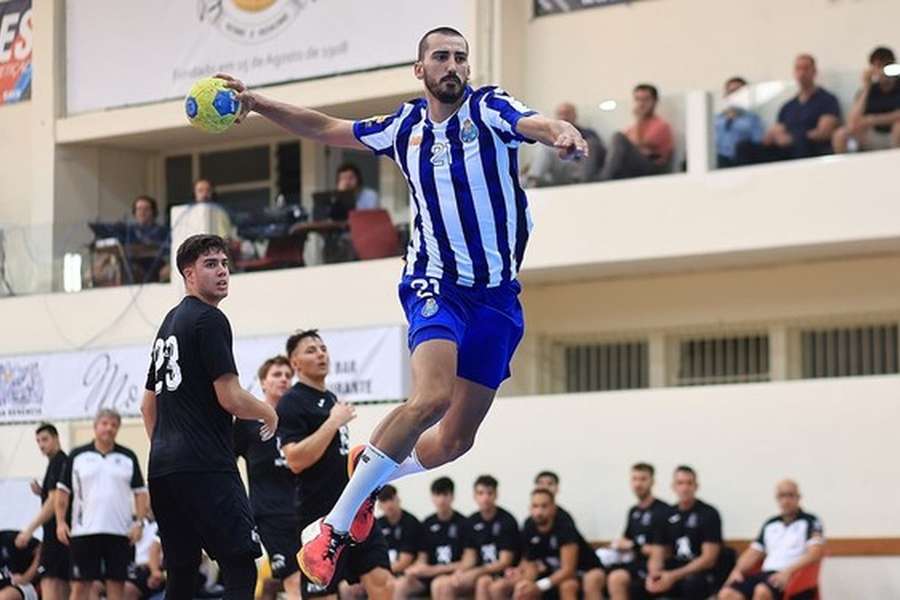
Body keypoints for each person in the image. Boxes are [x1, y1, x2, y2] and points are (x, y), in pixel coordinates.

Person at [216, 25, 589, 588]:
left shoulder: (489, 108)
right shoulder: (403, 126)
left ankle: (369, 464)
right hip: (434, 282)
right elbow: (324, 127)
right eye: (441, 57)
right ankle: (335, 528)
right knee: (431, 397)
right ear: (420, 70)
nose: (453, 66)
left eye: (461, 57)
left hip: (498, 298)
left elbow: (532, 123)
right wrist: (257, 102)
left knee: (454, 442)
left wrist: (561, 131)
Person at [140, 233, 277, 600]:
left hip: (163, 468)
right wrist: (267, 411)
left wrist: (168, 448)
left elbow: (147, 405)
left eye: (224, 264)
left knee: (182, 574)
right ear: (188, 274)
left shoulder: (168, 323)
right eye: (210, 264)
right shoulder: (210, 319)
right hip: (205, 463)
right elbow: (230, 397)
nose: (222, 272)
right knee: (240, 565)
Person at [276, 329, 393, 600]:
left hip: (355, 508)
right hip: (319, 512)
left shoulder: (330, 398)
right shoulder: (291, 403)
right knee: (323, 595)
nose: (320, 354)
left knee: (383, 582)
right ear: (295, 363)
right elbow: (295, 460)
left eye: (322, 348)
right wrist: (333, 422)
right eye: (311, 350)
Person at [54, 409, 150, 600]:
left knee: (117, 585)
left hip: (119, 532)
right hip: (84, 531)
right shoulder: (77, 456)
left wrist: (139, 523)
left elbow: (140, 493)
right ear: (95, 426)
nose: (109, 428)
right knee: (80, 586)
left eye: (114, 425)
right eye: (105, 424)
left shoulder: (128, 457)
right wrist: (60, 522)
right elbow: (62, 492)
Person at [233, 355, 301, 600]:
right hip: (270, 513)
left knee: (316, 581)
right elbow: (227, 462)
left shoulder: (299, 419)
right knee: (293, 579)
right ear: (263, 383)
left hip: (305, 511)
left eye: (287, 375)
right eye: (276, 375)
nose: (283, 379)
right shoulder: (247, 423)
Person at [719, 480, 824, 600]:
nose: (786, 500)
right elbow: (753, 552)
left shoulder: (811, 521)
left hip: (793, 575)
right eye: (782, 496)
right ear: (777, 499)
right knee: (727, 593)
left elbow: (815, 553)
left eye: (790, 495)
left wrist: (788, 572)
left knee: (761, 591)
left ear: (798, 497)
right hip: (765, 574)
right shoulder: (770, 523)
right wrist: (737, 570)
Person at [487, 488, 600, 600]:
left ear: (553, 508)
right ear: (530, 508)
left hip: (581, 571)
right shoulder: (529, 526)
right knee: (517, 589)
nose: (539, 511)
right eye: (535, 506)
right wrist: (522, 578)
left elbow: (568, 570)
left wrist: (539, 586)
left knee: (567, 586)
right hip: (549, 574)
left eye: (544, 506)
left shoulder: (565, 526)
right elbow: (529, 562)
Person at [737, 54, 841, 163]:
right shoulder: (788, 106)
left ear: (814, 72)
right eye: (798, 69)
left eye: (805, 69)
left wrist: (794, 138)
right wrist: (774, 137)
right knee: (744, 147)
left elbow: (824, 132)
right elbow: (776, 131)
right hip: (785, 151)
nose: (802, 73)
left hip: (810, 149)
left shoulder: (827, 100)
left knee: (801, 143)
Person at [643, 466, 722, 600]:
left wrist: (673, 576)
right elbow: (657, 553)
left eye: (689, 483)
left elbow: (708, 559)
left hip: (698, 572)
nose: (685, 488)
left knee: (692, 584)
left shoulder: (708, 513)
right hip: (674, 569)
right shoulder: (665, 515)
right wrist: (654, 575)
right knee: (639, 586)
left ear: (696, 486)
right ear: (673, 486)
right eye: (680, 483)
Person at [434, 475, 519, 600]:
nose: (485, 498)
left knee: (483, 582)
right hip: (479, 570)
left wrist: (476, 572)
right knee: (441, 583)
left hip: (503, 573)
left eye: (489, 493)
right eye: (480, 493)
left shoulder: (507, 520)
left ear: (496, 495)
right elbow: (470, 557)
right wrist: (460, 571)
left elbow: (504, 561)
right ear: (474, 496)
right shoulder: (471, 521)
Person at [15, 423, 69, 600]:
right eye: (38, 441)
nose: (41, 445)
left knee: (50, 585)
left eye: (45, 439)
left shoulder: (59, 462)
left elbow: (54, 502)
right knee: (60, 586)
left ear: (56, 438)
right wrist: (42, 492)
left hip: (56, 538)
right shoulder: (58, 463)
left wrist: (29, 530)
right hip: (60, 537)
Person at [604, 463, 674, 600]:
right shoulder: (633, 511)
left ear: (652, 482)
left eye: (643, 479)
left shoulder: (662, 510)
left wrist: (633, 546)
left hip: (658, 565)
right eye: (634, 479)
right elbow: (626, 540)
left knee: (617, 578)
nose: (638, 484)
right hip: (635, 562)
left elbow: (662, 550)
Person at [393, 477, 468, 599]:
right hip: (428, 575)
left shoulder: (464, 523)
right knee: (400, 584)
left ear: (452, 496)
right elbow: (423, 557)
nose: (441, 500)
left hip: (452, 574)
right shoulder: (427, 523)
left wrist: (432, 570)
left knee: (440, 585)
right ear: (432, 497)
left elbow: (467, 561)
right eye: (437, 495)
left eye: (445, 495)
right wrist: (416, 569)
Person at [599, 84, 674, 180]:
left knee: (618, 137)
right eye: (637, 99)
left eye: (645, 100)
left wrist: (639, 119)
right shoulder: (631, 128)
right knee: (593, 145)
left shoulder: (661, 126)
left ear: (654, 101)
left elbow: (637, 145)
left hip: (651, 168)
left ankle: (604, 179)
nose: (641, 104)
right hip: (630, 168)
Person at [833, 46, 900, 153]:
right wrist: (866, 86)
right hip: (872, 135)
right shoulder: (868, 90)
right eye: (878, 66)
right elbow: (853, 121)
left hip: (894, 134)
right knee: (841, 135)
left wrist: (872, 119)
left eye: (885, 65)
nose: (882, 70)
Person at [526, 102, 605, 186]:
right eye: (561, 114)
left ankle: (532, 181)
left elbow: (596, 155)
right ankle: (533, 180)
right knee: (544, 148)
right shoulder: (553, 135)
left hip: (580, 168)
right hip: (559, 170)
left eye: (567, 113)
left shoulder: (588, 133)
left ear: (575, 115)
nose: (564, 117)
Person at [714, 78, 764, 167]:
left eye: (739, 92)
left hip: (743, 163)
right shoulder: (715, 120)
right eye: (731, 92)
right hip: (717, 164)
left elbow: (758, 143)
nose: (735, 96)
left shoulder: (752, 119)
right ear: (725, 96)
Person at [375, 486, 422, 576]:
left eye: (391, 499)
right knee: (348, 587)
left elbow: (404, 562)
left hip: (405, 573)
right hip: (382, 571)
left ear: (398, 499)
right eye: (384, 501)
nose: (389, 505)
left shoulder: (410, 522)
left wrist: (378, 574)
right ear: (379, 505)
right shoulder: (377, 524)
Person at [124, 195, 170, 283]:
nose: (142, 212)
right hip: (134, 267)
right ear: (135, 212)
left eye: (146, 209)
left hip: (157, 266)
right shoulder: (129, 231)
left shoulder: (163, 231)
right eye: (139, 209)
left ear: (153, 212)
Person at [123, 518, 164, 600]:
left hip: (148, 569)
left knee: (127, 589)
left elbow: (155, 550)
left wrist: (154, 571)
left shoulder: (163, 525)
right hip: (132, 567)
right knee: (95, 585)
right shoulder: (136, 525)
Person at [0, 529, 41, 600]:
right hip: (11, 584)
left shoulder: (8, 538)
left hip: (30, 584)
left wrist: (27, 577)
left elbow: (42, 548)